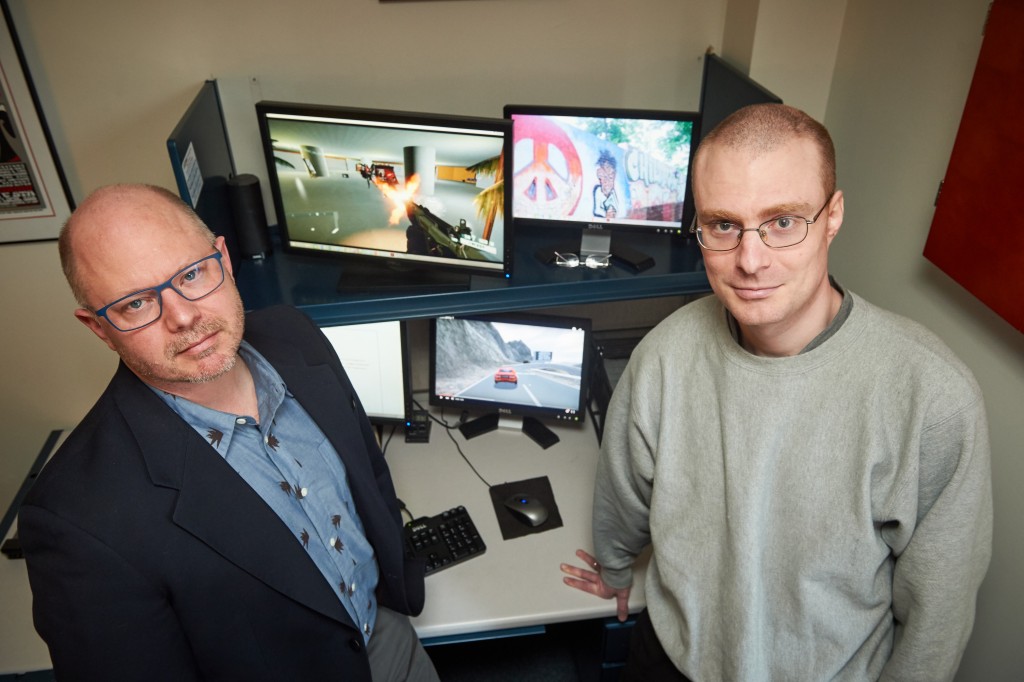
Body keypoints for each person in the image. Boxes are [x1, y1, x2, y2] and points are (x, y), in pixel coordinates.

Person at [561, 104, 992, 681]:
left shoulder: (933, 397)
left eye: (783, 222)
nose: (750, 260)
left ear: (833, 215)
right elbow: (625, 490)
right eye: (723, 225)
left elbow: (937, 620)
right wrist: (615, 569)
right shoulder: (665, 355)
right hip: (671, 661)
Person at [19, 184, 439, 682]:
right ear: (98, 327)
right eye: (134, 304)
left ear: (224, 258)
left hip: (389, 636)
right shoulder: (75, 520)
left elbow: (367, 470)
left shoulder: (293, 333)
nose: (183, 316)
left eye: (192, 273)